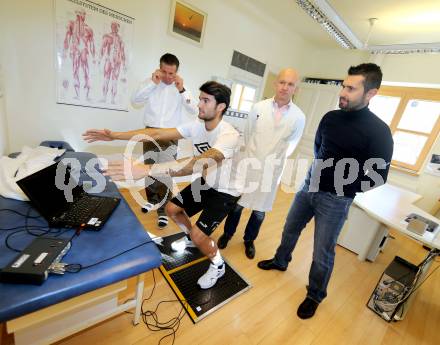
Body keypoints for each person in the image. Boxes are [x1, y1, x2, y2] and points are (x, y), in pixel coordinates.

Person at [257, 63, 394, 319]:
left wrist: (344, 187)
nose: (343, 92)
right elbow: (320, 146)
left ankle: (315, 294)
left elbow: (378, 176)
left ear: (370, 94)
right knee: (290, 228)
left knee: (322, 250)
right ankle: (280, 260)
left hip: (336, 199)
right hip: (309, 185)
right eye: (344, 85)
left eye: (351, 88)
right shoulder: (330, 117)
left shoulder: (379, 132)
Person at [83, 81, 243, 289]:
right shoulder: (197, 125)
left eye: (205, 100)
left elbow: (199, 163)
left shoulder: (228, 135)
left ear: (220, 107)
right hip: (207, 182)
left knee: (198, 233)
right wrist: (114, 135)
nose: (199, 105)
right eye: (200, 99)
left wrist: (147, 169)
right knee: (171, 208)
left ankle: (218, 265)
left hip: (226, 191)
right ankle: (192, 238)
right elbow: (157, 134)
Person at [217, 68, 305, 259]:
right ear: (276, 84)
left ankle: (249, 240)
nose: (285, 87)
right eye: (282, 82)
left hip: (270, 171)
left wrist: (270, 162)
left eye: (290, 84)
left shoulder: (299, 117)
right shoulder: (258, 107)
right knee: (237, 205)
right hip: (249, 165)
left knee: (259, 211)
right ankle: (227, 234)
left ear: (296, 89)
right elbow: (248, 135)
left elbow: (291, 146)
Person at [131, 53, 198, 228]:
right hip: (150, 132)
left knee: (166, 173)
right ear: (159, 68)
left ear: (177, 72)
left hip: (170, 134)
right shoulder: (151, 83)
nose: (168, 77)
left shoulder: (181, 88)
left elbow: (194, 109)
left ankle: (163, 210)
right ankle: (152, 200)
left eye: (171, 73)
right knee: (150, 169)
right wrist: (152, 82)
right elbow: (135, 100)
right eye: (164, 71)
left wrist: (182, 89)